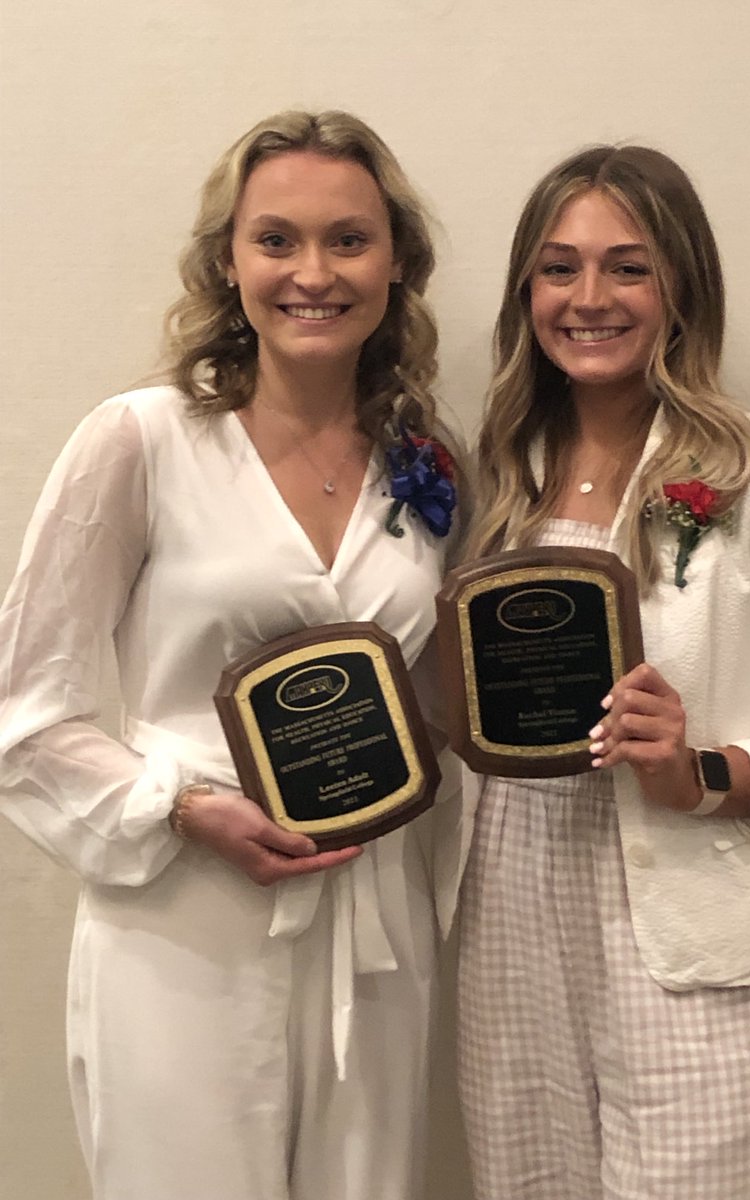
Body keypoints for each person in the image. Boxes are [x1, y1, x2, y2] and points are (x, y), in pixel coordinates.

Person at [0, 110, 466, 1200]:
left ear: (397, 262)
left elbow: (441, 701)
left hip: (374, 915)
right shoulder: (140, 440)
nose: (313, 272)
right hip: (183, 919)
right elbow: (25, 712)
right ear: (229, 261)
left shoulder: (431, 467)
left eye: (348, 239)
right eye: (277, 240)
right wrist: (180, 810)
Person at [456, 144, 750, 1200]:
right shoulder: (497, 472)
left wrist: (703, 771)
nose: (590, 298)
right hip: (508, 936)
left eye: (630, 266)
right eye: (559, 267)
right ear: (528, 292)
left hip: (692, 942)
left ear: (683, 289)